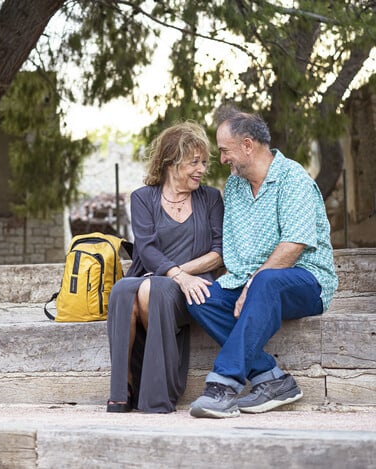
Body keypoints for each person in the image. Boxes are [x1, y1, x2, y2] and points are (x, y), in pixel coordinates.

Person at [187, 107, 339, 419]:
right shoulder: (236, 187)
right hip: (256, 281)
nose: (222, 158)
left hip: (307, 280)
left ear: (247, 145)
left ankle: (224, 386)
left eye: (225, 150)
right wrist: (242, 283)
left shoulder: (293, 179)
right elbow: (235, 252)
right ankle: (273, 379)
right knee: (201, 297)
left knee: (267, 281)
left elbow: (294, 245)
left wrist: (254, 281)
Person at [106, 121, 224, 414]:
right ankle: (123, 387)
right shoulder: (143, 198)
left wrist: (180, 275)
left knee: (154, 288)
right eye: (194, 162)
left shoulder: (210, 198)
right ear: (171, 162)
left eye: (204, 162)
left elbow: (219, 253)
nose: (202, 169)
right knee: (122, 290)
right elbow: (145, 248)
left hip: (193, 286)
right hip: (153, 275)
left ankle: (157, 394)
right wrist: (175, 274)